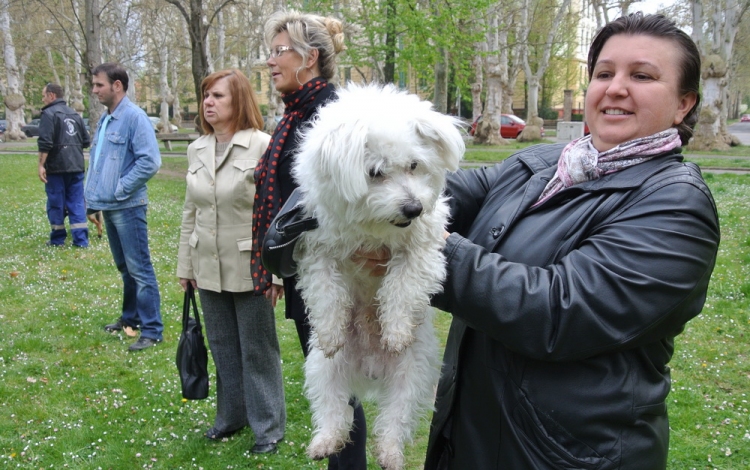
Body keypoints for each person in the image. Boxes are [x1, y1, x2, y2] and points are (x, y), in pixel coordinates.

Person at [348, 12, 719, 469]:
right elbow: (443, 193)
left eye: (641, 76)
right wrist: (340, 195)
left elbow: (560, 311)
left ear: (683, 104)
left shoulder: (676, 205)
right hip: (474, 432)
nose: (615, 87)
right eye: (604, 73)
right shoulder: (545, 163)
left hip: (563, 454)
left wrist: (430, 250)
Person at [251, 10, 367, 469]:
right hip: (308, 274)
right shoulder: (296, 113)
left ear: (310, 56)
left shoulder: (335, 117)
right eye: (271, 51)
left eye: (279, 51)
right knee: (331, 379)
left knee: (339, 383)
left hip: (337, 275)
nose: (270, 61)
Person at [176, 69, 286, 454]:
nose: (208, 102)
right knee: (223, 345)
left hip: (251, 265)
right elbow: (191, 211)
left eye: (218, 96)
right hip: (206, 265)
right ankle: (230, 418)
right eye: (206, 96)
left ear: (238, 101)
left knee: (258, 349)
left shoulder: (263, 145)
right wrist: (185, 267)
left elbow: (277, 215)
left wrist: (278, 274)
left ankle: (268, 428)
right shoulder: (197, 149)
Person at [85, 63, 164, 352]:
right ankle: (131, 318)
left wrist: (119, 189)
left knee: (140, 268)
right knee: (125, 268)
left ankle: (153, 329)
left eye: (99, 85)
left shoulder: (134, 118)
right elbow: (97, 163)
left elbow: (150, 162)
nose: (94, 91)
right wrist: (92, 202)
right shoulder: (106, 120)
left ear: (117, 86)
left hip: (128, 206)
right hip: (107, 206)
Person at [37, 83, 91, 247]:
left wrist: (41, 165)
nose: (43, 99)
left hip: (56, 167)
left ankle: (58, 239)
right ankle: (81, 240)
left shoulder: (48, 114)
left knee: (56, 203)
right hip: (76, 166)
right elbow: (86, 141)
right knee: (77, 203)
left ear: (52, 95)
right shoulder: (75, 114)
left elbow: (45, 142)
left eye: (44, 95)